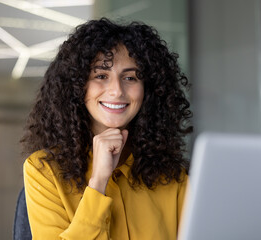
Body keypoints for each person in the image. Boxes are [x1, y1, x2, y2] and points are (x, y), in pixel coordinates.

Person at [20, 17, 193, 240]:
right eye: (101, 76)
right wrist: (98, 182)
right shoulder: (43, 171)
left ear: (148, 89)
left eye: (130, 77)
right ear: (77, 85)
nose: (116, 91)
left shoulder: (174, 176)